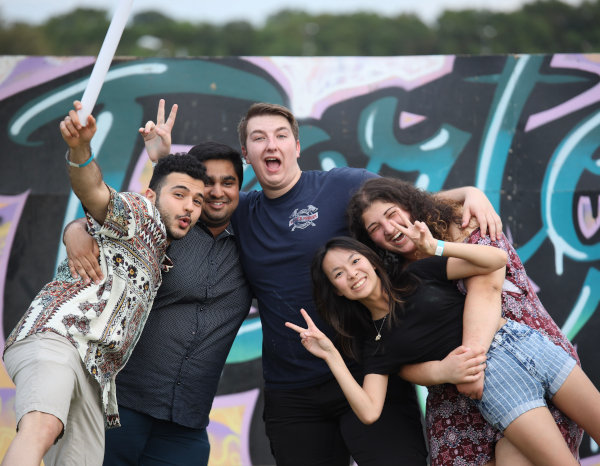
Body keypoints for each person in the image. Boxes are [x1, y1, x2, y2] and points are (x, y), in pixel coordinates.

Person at [146, 100, 502, 465]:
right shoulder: (240, 212)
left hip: (368, 372)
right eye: (258, 138)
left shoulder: (343, 185)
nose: (271, 144)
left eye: (281, 135)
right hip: (292, 393)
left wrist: (468, 194)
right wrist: (86, 226)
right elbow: (165, 213)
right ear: (247, 155)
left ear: (296, 147)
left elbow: (408, 208)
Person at [1, 102, 207, 466]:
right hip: (58, 339)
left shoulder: (159, 252)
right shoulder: (137, 216)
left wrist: (162, 159)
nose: (190, 206)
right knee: (42, 426)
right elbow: (93, 190)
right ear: (149, 197)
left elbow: (110, 212)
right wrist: (80, 150)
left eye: (197, 200)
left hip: (95, 375)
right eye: (180, 195)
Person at [286, 228, 600, 466]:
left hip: (526, 343)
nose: (352, 273)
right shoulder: (379, 343)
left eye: (355, 260)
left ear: (370, 259)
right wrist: (331, 355)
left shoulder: (416, 273)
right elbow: (369, 411)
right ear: (337, 291)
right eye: (338, 274)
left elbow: (495, 259)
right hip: (494, 381)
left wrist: (435, 247)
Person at [62, 101, 253, 465]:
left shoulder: (253, 240)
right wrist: (78, 229)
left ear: (240, 190)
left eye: (228, 182)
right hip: (120, 406)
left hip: (187, 422)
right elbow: (108, 210)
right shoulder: (161, 231)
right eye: (205, 184)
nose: (216, 192)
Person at [346, 177, 585, 465]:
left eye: (392, 215)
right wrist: (443, 371)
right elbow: (395, 356)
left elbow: (487, 289)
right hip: (456, 394)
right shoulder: (396, 276)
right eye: (375, 228)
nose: (389, 229)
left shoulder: (465, 223)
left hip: (516, 359)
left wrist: (472, 367)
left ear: (409, 205)